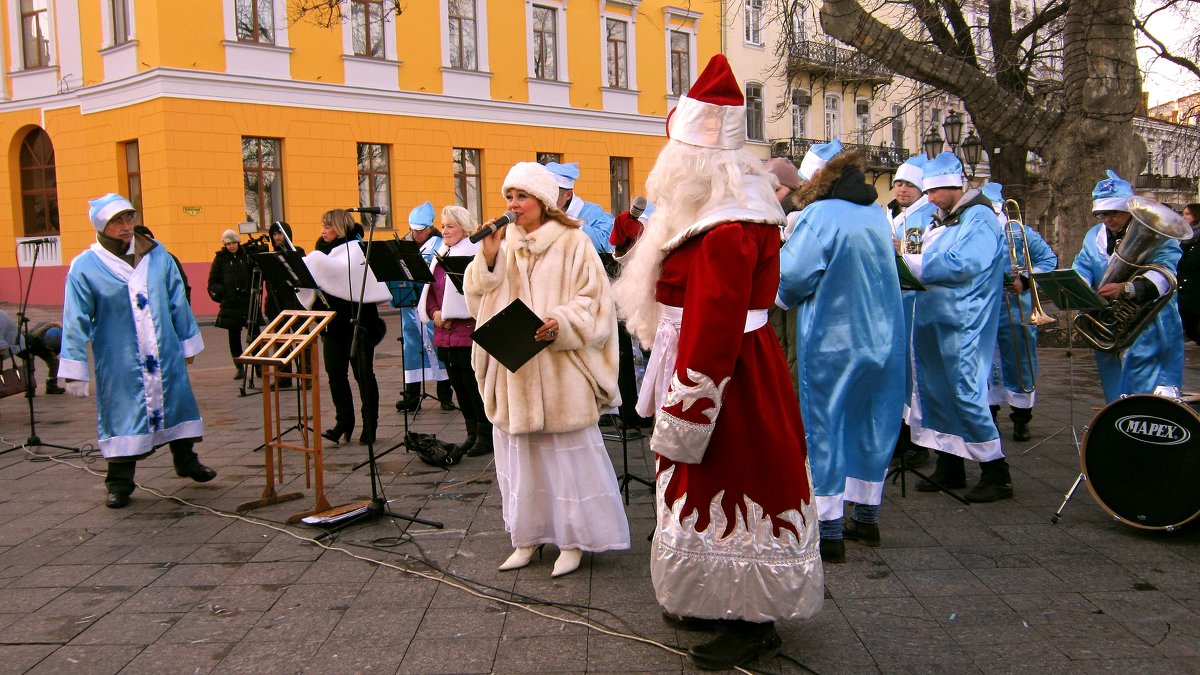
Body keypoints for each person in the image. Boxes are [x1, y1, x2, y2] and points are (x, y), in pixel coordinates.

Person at [613, 55, 822, 671]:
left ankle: (751, 619)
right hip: (731, 370)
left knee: (736, 486)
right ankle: (711, 598)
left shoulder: (727, 226)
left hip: (728, 381)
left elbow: (714, 328)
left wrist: (686, 411)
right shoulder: (721, 209)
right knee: (717, 491)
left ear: (694, 159)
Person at [463, 161, 629, 579]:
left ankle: (573, 541)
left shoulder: (573, 242)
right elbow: (475, 299)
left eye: (521, 196)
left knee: (565, 462)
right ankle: (527, 537)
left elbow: (595, 301)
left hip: (559, 370)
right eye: (509, 197)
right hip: (514, 368)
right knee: (523, 462)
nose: (513, 205)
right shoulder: (501, 244)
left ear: (542, 200)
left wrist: (561, 322)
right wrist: (488, 258)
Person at [776, 140, 906, 563]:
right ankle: (866, 518)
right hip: (884, 335)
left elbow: (790, 279)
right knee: (873, 420)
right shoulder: (876, 214)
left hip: (834, 340)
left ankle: (829, 528)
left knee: (826, 424)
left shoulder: (819, 215)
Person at [59, 193, 216, 508]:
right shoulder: (85, 267)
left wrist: (187, 341)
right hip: (119, 359)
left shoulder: (159, 256)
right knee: (122, 416)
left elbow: (177, 301)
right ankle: (119, 483)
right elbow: (75, 318)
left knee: (177, 404)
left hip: (164, 351)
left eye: (129, 218)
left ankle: (186, 461)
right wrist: (74, 367)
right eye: (117, 220)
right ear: (102, 225)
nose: (126, 226)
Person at [899, 152, 1010, 503]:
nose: (928, 198)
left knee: (964, 392)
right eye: (927, 192)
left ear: (955, 187)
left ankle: (996, 471)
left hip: (964, 320)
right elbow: (911, 252)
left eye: (935, 192)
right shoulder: (934, 218)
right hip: (931, 320)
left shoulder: (980, 218)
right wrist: (900, 251)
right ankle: (950, 463)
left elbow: (966, 263)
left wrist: (914, 260)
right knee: (935, 391)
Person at [1072, 171, 1184, 402]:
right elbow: (1083, 263)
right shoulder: (1094, 235)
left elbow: (1166, 271)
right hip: (1109, 321)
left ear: (1129, 209)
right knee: (1113, 384)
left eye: (1113, 212)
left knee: (1147, 387)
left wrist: (1127, 288)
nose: (1107, 219)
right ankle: (1117, 419)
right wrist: (1080, 287)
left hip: (1150, 322)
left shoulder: (1159, 234)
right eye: (1101, 214)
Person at [415, 205, 492, 466]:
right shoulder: (443, 253)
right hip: (443, 332)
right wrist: (436, 312)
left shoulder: (473, 252)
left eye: (450, 226)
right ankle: (471, 433)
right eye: (443, 225)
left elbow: (477, 292)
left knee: (473, 385)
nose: (444, 231)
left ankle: (485, 434)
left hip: (466, 332)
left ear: (463, 227)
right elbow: (432, 292)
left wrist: (451, 313)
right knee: (458, 385)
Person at [305, 209, 389, 445]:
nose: (323, 231)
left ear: (339, 227)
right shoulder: (322, 252)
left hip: (359, 323)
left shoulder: (355, 251)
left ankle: (370, 424)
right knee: (335, 376)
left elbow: (348, 276)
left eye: (328, 226)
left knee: (363, 375)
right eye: (322, 226)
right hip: (332, 325)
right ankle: (344, 421)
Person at [983, 183, 1058, 442]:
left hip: (1016, 308)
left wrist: (1025, 280)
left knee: (1020, 362)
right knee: (987, 364)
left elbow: (1049, 260)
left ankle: (1021, 419)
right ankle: (988, 416)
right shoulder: (973, 234)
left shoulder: (1019, 232)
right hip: (986, 309)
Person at [887, 154, 938, 469]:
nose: (902, 189)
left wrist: (900, 250)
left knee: (916, 376)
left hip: (918, 304)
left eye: (908, 184)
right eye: (898, 183)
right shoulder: (896, 216)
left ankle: (919, 443)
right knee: (900, 374)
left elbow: (924, 258)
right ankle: (902, 438)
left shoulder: (926, 216)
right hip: (898, 304)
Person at [387, 202, 452, 412]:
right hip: (410, 305)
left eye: (420, 230)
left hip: (431, 306)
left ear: (429, 228)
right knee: (412, 348)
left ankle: (445, 395)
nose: (415, 234)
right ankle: (412, 395)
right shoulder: (408, 246)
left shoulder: (440, 246)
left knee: (439, 348)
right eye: (412, 230)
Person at [206, 229, 255, 380]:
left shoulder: (247, 255)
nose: (231, 246)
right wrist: (223, 292)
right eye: (228, 244)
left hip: (248, 301)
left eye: (233, 243)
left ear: (238, 243)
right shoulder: (220, 259)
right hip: (230, 303)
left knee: (255, 334)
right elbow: (212, 281)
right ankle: (239, 366)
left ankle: (259, 365)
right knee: (233, 337)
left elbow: (256, 274)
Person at [545, 161, 616, 259]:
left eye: (552, 195)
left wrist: (572, 223)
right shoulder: (540, 213)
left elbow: (608, 246)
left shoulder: (594, 213)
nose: (546, 199)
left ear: (568, 195)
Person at [0, 309, 64, 395]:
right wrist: (28, 355)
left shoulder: (59, 336)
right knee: (29, 367)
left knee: (54, 363)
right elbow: (21, 344)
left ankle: (51, 386)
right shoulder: (35, 334)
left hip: (42, 347)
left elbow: (57, 349)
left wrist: (52, 352)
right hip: (28, 345)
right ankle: (30, 389)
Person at [134, 225, 191, 305]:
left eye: (150, 239)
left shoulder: (167, 259)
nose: (146, 244)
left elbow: (182, 286)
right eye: (143, 240)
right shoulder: (129, 262)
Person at [1177, 203, 1200, 346]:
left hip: (1195, 290)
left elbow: (1189, 263)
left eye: (1187, 214)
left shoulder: (1195, 239)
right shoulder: (1184, 237)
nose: (1183, 217)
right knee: (1190, 329)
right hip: (1185, 290)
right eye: (1183, 213)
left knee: (1193, 330)